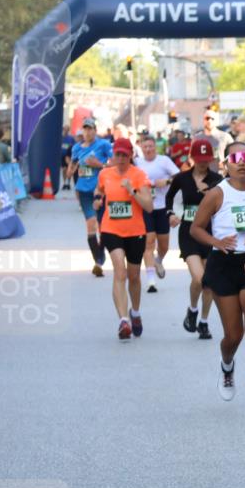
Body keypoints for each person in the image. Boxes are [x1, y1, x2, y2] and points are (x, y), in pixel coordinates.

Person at [189, 142, 245, 416]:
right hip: (223, 264)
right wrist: (216, 241)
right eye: (234, 158)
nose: (241, 162)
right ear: (225, 164)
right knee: (233, 335)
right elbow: (195, 228)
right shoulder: (217, 194)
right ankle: (227, 363)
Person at [93, 138, 154, 340]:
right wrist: (97, 199)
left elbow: (148, 206)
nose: (120, 158)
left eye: (124, 155)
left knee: (134, 276)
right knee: (120, 270)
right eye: (117, 154)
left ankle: (135, 312)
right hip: (111, 229)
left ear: (130, 156)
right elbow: (99, 190)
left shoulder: (139, 175)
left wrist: (132, 190)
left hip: (135, 231)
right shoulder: (105, 174)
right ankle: (123, 320)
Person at [165, 140, 221, 340]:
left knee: (209, 283)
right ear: (192, 158)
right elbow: (169, 197)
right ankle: (192, 309)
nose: (203, 163)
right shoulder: (182, 178)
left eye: (206, 160)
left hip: (210, 232)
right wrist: (171, 214)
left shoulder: (217, 179)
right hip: (189, 232)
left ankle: (203, 322)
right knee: (200, 278)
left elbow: (224, 203)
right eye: (199, 160)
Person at [134, 134, 180, 293]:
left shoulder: (164, 161)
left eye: (150, 146)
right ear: (141, 147)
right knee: (149, 242)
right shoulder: (137, 163)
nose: (148, 149)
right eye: (145, 147)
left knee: (164, 244)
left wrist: (166, 181)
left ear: (155, 147)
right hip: (146, 207)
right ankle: (151, 281)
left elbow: (178, 177)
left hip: (162, 207)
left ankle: (158, 260)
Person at [70, 117, 113, 277]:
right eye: (85, 129)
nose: (88, 132)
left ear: (95, 130)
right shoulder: (76, 148)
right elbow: (73, 163)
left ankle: (99, 259)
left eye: (90, 129)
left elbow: (114, 164)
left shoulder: (104, 145)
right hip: (84, 191)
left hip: (102, 190)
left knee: (103, 227)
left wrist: (100, 165)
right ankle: (98, 261)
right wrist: (71, 170)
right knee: (91, 224)